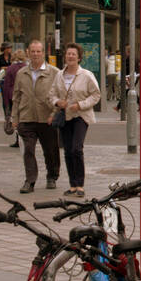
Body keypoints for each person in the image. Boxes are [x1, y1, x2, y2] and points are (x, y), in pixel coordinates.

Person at [50, 42, 101, 196]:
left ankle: (80, 185)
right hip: (65, 116)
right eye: (68, 54)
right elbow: (52, 94)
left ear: (79, 58)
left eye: (73, 54)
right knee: (67, 151)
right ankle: (72, 185)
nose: (70, 56)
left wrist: (80, 105)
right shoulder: (59, 75)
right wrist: (57, 102)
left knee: (76, 148)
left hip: (81, 116)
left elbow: (96, 95)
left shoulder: (86, 75)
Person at [12, 39, 61, 193]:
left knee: (51, 150)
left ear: (43, 53)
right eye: (32, 51)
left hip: (47, 118)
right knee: (28, 150)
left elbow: (60, 96)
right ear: (28, 52)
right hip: (27, 117)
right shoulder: (21, 73)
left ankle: (52, 176)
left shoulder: (54, 72)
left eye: (38, 51)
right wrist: (15, 118)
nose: (35, 54)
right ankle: (30, 181)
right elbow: (16, 97)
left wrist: (54, 114)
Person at [0, 48, 27, 149]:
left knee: (15, 117)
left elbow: (6, 86)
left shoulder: (10, 68)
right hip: (24, 96)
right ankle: (23, 139)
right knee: (23, 117)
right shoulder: (26, 67)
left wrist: (5, 102)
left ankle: (17, 139)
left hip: (12, 97)